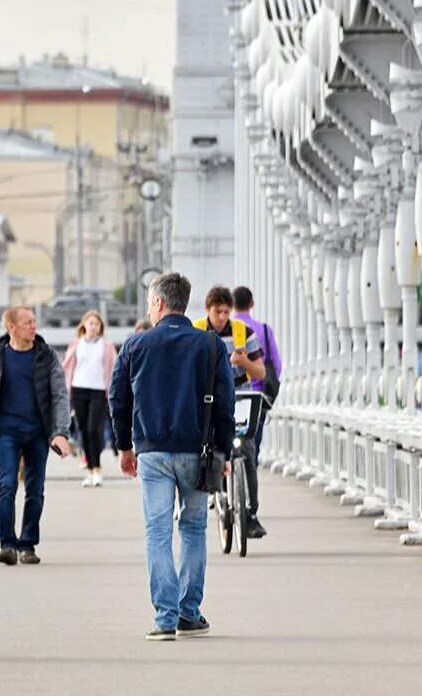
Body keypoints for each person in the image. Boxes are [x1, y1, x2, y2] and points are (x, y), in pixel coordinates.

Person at [111, 273, 234, 641]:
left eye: (150, 303)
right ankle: (188, 613)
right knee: (194, 530)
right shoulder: (211, 346)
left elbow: (118, 399)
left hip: (152, 453)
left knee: (158, 532)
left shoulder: (136, 345)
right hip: (198, 453)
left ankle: (164, 619)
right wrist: (224, 450)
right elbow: (226, 405)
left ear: (159, 304)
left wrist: (124, 446)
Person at [0, 306, 73, 566]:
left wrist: (61, 433)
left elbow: (60, 396)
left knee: (35, 490)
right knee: (7, 484)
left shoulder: (46, 355)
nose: (33, 326)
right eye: (28, 322)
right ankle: (7, 544)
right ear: (11, 327)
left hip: (38, 433)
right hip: (6, 432)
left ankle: (28, 544)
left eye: (34, 321)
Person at [193, 286, 268, 539]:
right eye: (218, 312)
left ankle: (252, 514)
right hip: (209, 398)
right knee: (209, 447)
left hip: (239, 396)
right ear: (208, 310)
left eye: (227, 311)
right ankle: (213, 494)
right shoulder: (196, 331)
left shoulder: (242, 332)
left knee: (246, 452)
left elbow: (261, 372)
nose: (223, 316)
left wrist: (243, 362)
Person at [231, 285, 282, 539]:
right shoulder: (262, 330)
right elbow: (277, 365)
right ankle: (249, 509)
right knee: (251, 449)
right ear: (251, 303)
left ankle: (225, 489)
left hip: (229, 396)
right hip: (256, 400)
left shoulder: (231, 330)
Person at [63, 310, 117, 487]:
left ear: (101, 327)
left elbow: (114, 369)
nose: (93, 326)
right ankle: (89, 469)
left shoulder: (106, 346)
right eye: (90, 323)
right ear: (84, 324)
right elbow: (67, 367)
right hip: (78, 390)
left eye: (96, 323)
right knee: (83, 430)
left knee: (94, 429)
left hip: (98, 391)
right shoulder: (75, 344)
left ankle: (97, 469)